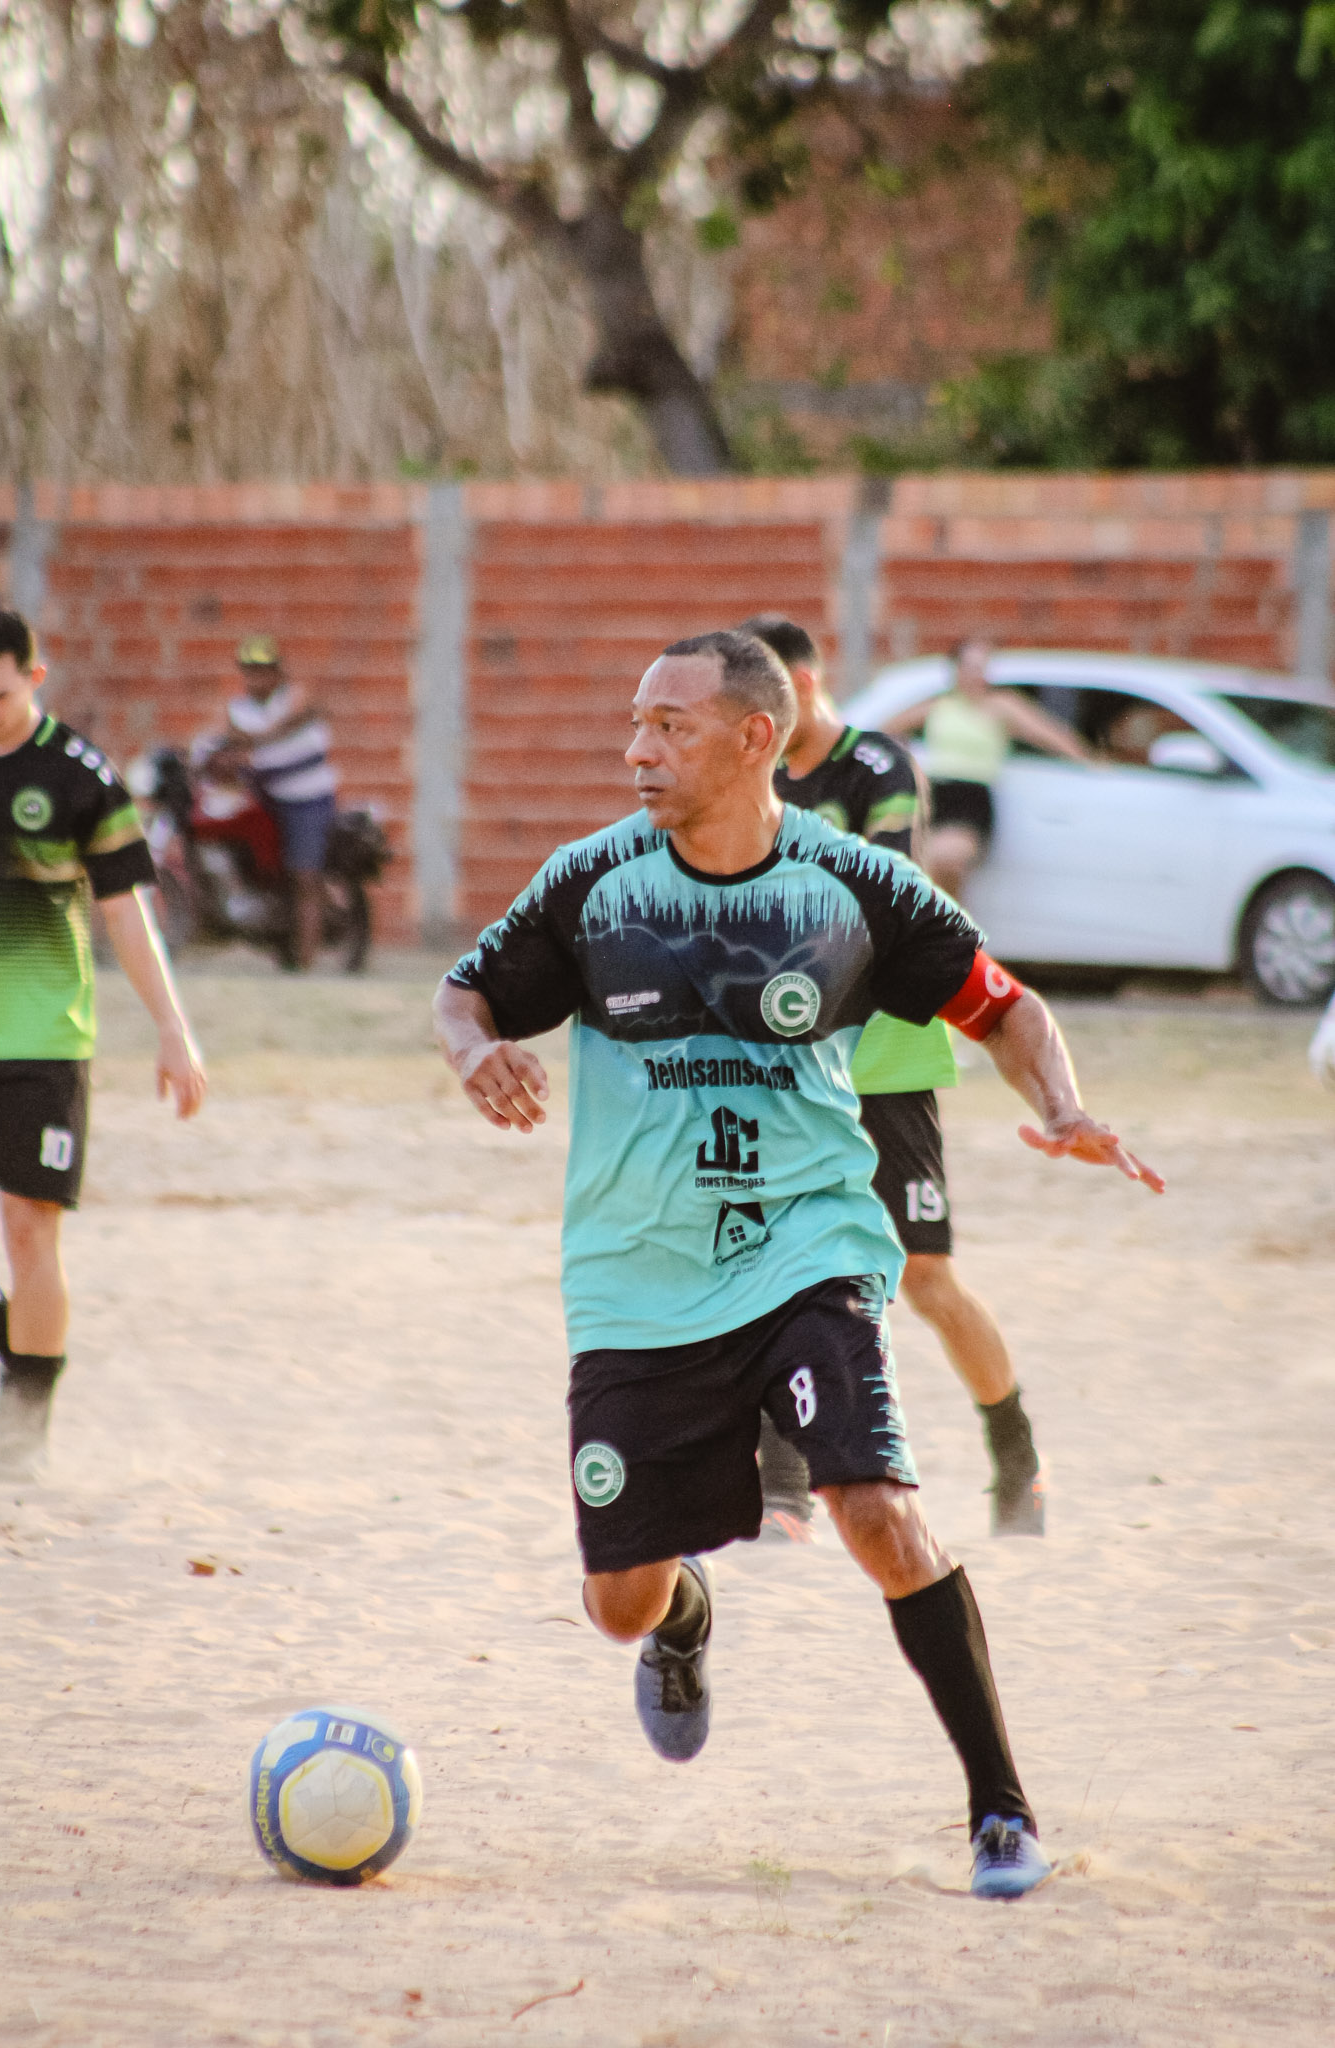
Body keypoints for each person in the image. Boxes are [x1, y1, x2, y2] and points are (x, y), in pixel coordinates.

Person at [434, 628, 1163, 1898]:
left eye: (670, 726)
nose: (638, 749)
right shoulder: (592, 883)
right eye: (636, 723)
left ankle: (1001, 1812)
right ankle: (683, 1614)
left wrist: (1062, 1102)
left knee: (877, 1511)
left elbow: (1005, 1005)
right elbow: (463, 992)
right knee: (617, 1602)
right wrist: (473, 1051)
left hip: (806, 1244)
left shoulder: (851, 884)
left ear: (754, 737)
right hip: (636, 1274)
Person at [742, 614, 1044, 1539]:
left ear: (801, 683)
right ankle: (783, 1487)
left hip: (886, 1054)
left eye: (761, 700)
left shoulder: (877, 766)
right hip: (789, 1058)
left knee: (925, 1279)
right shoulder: (751, 778)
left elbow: (880, 890)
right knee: (776, 1264)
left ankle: (1015, 1455)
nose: (750, 722)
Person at [0, 607, 206, 1480]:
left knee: (29, 1232)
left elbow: (126, 913)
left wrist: (172, 1029)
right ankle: (21, 1343)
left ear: (35, 679)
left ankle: (23, 1430)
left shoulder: (78, 776)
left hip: (41, 1041)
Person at [888, 639, 1091, 900]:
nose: (976, 675)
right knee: (927, 870)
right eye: (969, 667)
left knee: (946, 859)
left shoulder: (1001, 705)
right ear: (955, 669)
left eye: (981, 668)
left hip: (971, 796)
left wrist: (1089, 760)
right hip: (936, 794)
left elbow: (1049, 734)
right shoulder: (939, 706)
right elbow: (887, 727)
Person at [224, 636, 338, 970]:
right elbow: (229, 742)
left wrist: (258, 740)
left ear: (277, 672)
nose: (256, 678)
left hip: (307, 798)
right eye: (250, 671)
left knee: (304, 876)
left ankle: (306, 961)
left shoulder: (294, 698)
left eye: (263, 670)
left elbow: (295, 718)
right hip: (265, 799)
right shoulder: (238, 709)